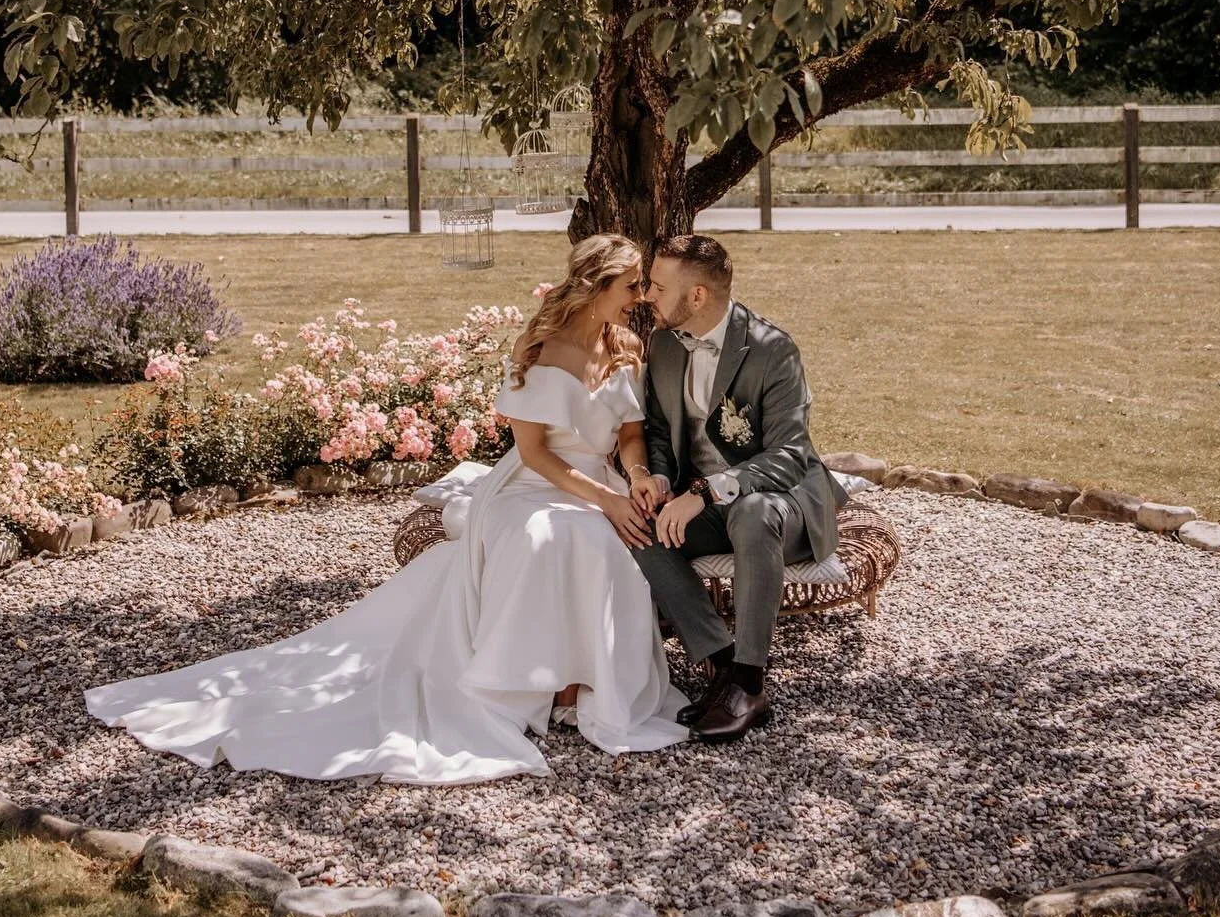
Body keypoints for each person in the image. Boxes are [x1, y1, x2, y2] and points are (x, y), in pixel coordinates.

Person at [85, 235, 685, 783]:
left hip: (601, 477)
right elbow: (533, 453)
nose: (639, 297)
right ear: (595, 286)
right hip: (533, 484)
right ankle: (535, 687)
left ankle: (594, 687)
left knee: (611, 542)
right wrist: (603, 498)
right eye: (631, 284)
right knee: (545, 539)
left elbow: (631, 431)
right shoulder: (537, 349)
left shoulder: (626, 346)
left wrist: (630, 476)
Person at [632, 234, 847, 742]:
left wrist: (704, 493)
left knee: (752, 513)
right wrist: (660, 478)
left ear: (698, 296)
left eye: (658, 287)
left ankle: (750, 684)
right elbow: (660, 430)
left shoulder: (773, 350)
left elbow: (790, 455)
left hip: (782, 504)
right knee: (634, 526)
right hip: (703, 505)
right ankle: (722, 663)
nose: (646, 295)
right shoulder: (663, 343)